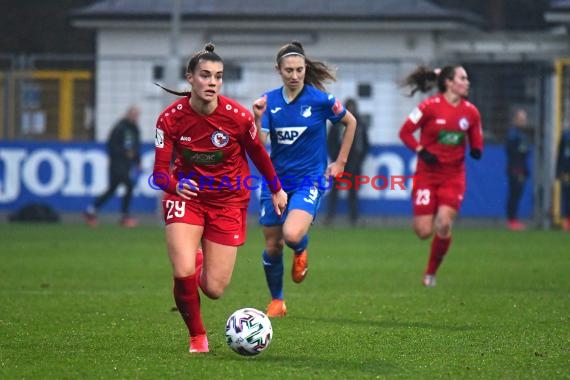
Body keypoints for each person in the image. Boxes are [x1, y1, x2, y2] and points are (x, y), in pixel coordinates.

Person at [152, 43, 287, 353]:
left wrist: (277, 188)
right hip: (187, 197)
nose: (212, 82)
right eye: (205, 75)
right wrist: (175, 186)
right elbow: (160, 174)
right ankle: (197, 337)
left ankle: (199, 261)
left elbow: (259, 154)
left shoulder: (237, 118)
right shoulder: (169, 119)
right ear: (190, 78)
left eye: (218, 77)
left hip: (228, 200)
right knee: (182, 269)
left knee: (214, 288)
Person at [252, 41, 357, 317]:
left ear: (305, 69)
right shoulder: (269, 102)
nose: (295, 75)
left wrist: (340, 162)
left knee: (291, 234)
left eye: (299, 69)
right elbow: (260, 145)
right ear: (279, 70)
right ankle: (277, 301)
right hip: (275, 182)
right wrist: (257, 118)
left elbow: (351, 123)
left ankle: (301, 248)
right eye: (289, 70)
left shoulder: (320, 100)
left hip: (309, 180)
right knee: (273, 246)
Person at [398, 65, 484, 287]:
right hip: (427, 175)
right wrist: (421, 151)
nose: (467, 82)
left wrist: (476, 149)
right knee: (423, 231)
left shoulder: (471, 112)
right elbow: (405, 132)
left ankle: (430, 274)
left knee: (444, 224)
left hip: (453, 176)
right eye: (462, 78)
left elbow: (476, 140)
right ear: (448, 82)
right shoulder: (429, 107)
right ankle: (434, 209)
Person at [85, 106, 141, 227]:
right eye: (134, 114)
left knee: (112, 190)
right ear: (128, 114)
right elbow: (111, 146)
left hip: (126, 165)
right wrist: (124, 152)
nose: (136, 117)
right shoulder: (119, 128)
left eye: (137, 115)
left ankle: (91, 210)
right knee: (129, 185)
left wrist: (137, 161)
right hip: (117, 164)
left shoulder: (135, 129)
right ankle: (125, 216)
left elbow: (135, 147)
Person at [325, 98, 370, 226]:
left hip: (354, 162)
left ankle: (354, 218)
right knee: (335, 191)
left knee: (353, 191)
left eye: (353, 107)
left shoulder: (360, 124)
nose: (351, 110)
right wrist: (335, 157)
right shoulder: (336, 123)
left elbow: (366, 144)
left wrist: (359, 159)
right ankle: (329, 216)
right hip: (339, 161)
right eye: (349, 107)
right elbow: (330, 141)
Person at [505, 108, 530, 231]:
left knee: (517, 195)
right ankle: (511, 220)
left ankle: (514, 219)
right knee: (513, 195)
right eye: (520, 119)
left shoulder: (523, 135)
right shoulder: (512, 134)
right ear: (515, 120)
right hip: (515, 169)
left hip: (522, 169)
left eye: (524, 119)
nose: (523, 121)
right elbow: (512, 152)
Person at [556, 124, 570, 231]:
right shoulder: (565, 136)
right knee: (566, 197)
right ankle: (567, 221)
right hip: (566, 172)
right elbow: (560, 155)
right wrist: (559, 172)